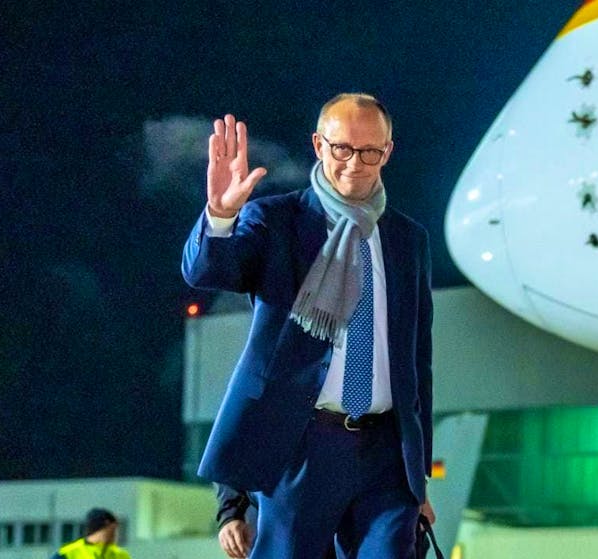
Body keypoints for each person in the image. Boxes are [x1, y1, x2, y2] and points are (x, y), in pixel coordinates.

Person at [182, 92, 435, 558]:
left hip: (384, 455)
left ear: (388, 152)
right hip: (299, 447)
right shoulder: (277, 221)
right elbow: (207, 273)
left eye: (369, 152)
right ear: (318, 145)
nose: (355, 164)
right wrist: (220, 216)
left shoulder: (407, 239)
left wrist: (417, 480)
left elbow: (417, 364)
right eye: (342, 148)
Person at [50, 508, 130, 559]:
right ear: (108, 525)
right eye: (115, 528)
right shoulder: (69, 553)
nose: (117, 534)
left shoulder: (121, 555)